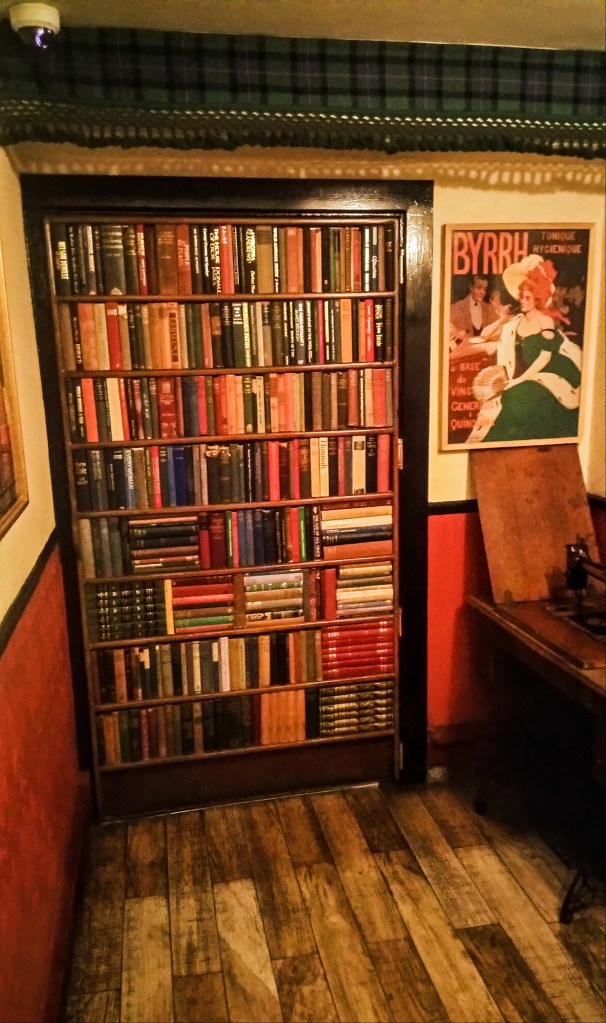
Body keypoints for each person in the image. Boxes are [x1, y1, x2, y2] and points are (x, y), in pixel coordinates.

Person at [467, 255, 582, 443]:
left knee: (517, 396)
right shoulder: (515, 322)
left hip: (552, 374)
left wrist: (519, 380)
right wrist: (502, 320)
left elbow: (544, 359)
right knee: (509, 398)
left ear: (537, 299)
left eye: (527, 297)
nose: (522, 301)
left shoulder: (545, 321)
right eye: (521, 296)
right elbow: (485, 336)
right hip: (529, 377)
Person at [450, 274, 494, 341]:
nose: (483, 292)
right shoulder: (456, 307)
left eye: (485, 289)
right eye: (479, 287)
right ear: (471, 287)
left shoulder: (489, 308)